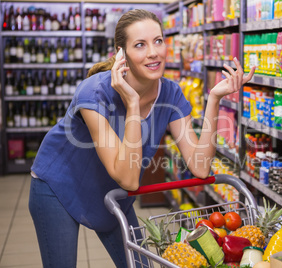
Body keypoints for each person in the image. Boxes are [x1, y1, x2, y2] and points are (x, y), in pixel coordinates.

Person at [29, 9, 255, 268]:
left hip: (113, 193)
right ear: (120, 55)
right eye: (140, 45)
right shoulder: (94, 93)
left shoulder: (170, 93)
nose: (153, 52)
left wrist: (214, 98)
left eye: (158, 41)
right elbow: (129, 178)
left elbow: (201, 166)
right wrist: (133, 105)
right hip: (58, 185)